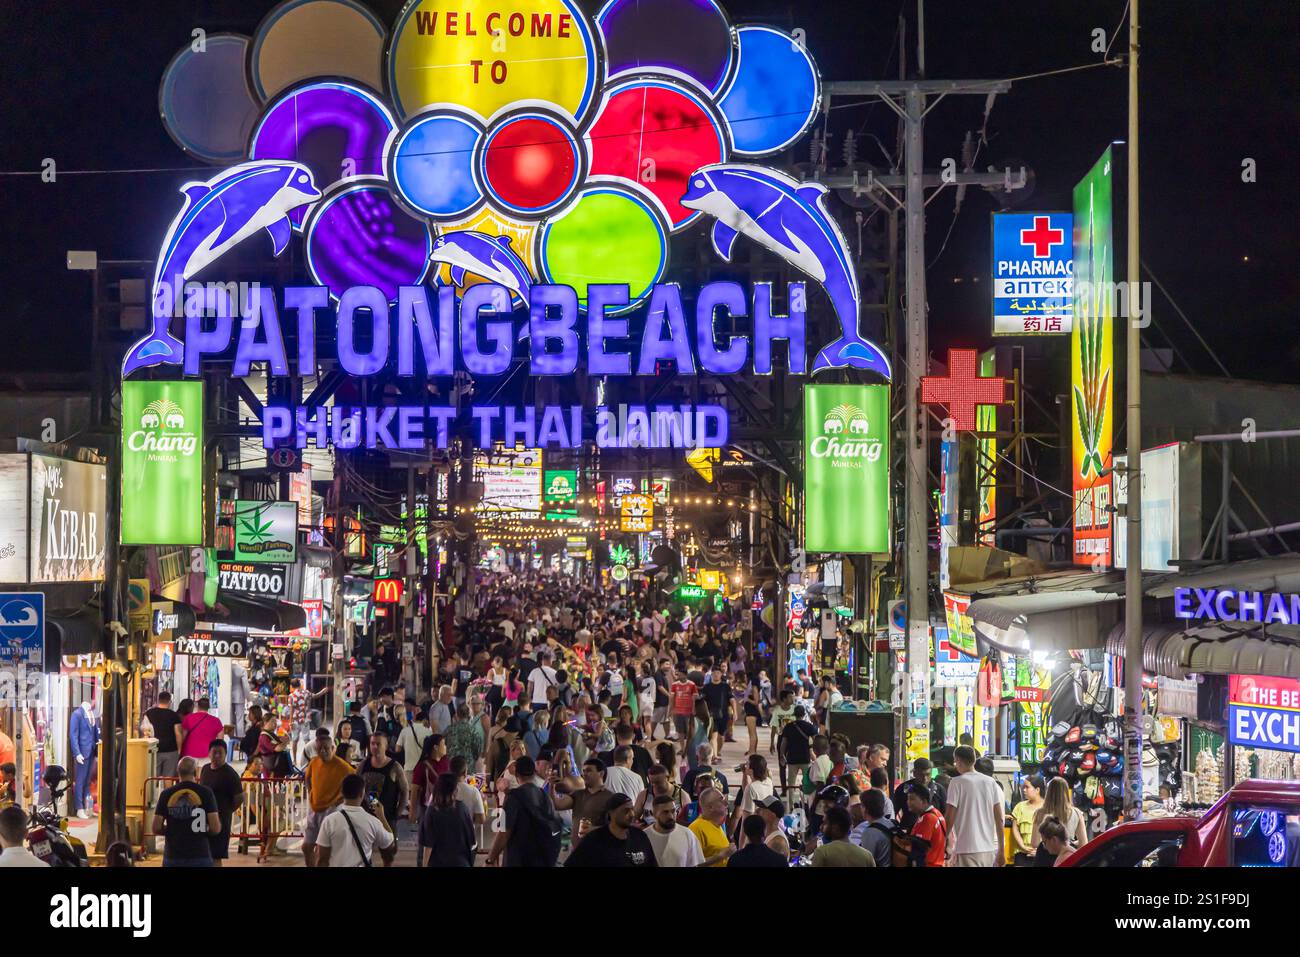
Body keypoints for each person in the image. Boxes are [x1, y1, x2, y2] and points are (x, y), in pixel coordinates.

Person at [486, 756, 563, 867]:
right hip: (541, 860)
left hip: (519, 860)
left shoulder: (513, 797)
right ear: (534, 772)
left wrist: (490, 859)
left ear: (516, 774)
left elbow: (503, 833)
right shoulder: (544, 795)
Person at [314, 773, 397, 867]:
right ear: (362, 794)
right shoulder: (372, 822)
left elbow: (322, 859)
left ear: (342, 792)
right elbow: (390, 844)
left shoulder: (329, 821)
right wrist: (381, 816)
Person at [944, 745, 1006, 867]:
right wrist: (1001, 850)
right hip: (988, 850)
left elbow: (950, 817)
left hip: (966, 849)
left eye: (955, 761)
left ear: (958, 761)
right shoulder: (991, 782)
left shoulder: (956, 783)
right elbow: (999, 819)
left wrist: (943, 840)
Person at [152, 757, 220, 867]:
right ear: (195, 772)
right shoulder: (206, 793)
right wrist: (202, 830)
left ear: (178, 772)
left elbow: (156, 827)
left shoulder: (166, 794)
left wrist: (173, 830)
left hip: (173, 856)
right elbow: (215, 827)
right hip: (200, 855)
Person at [563, 792, 657, 867]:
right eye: (626, 811)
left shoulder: (640, 836)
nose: (632, 814)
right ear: (611, 813)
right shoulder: (594, 840)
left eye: (632, 809)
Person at [302, 734, 353, 866]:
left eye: (326, 748)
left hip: (331, 811)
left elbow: (356, 783)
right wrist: (310, 791)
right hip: (314, 809)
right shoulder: (313, 762)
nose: (322, 751)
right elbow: (307, 778)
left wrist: (342, 800)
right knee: (307, 847)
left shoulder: (343, 766)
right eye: (319, 749)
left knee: (324, 852)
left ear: (332, 748)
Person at [550, 757, 614, 847]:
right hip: (577, 850)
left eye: (589, 771)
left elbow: (615, 826)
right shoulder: (578, 794)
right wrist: (552, 786)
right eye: (583, 771)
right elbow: (557, 805)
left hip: (598, 850)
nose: (584, 774)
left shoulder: (610, 797)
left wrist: (594, 829)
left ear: (601, 773)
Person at [199, 740, 243, 867]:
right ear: (209, 754)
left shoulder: (230, 774)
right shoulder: (205, 769)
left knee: (216, 855)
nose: (217, 755)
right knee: (204, 852)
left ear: (225, 754)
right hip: (204, 818)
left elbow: (239, 798)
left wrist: (227, 810)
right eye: (214, 752)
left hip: (221, 819)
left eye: (220, 753)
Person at [420, 772, 476, 867]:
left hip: (438, 863)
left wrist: (424, 865)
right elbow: (471, 841)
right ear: (454, 790)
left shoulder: (432, 811)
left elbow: (428, 845)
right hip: (461, 863)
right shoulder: (463, 808)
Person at [358, 731, 409, 829]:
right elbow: (355, 787)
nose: (375, 747)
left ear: (385, 746)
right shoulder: (363, 764)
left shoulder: (395, 767)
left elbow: (405, 790)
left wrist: (397, 812)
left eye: (378, 744)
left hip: (387, 817)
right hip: (365, 816)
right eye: (372, 743)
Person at [643, 792, 703, 867]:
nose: (671, 816)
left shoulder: (687, 834)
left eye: (673, 811)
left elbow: (694, 864)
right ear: (654, 813)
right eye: (665, 812)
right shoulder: (643, 837)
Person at [1030, 776, 1089, 849]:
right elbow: (1084, 843)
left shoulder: (1040, 813)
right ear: (1066, 792)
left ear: (1048, 792)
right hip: (1067, 856)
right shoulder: (1077, 813)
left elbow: (1034, 843)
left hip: (1046, 856)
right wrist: (1072, 843)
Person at [811, 805, 875, 867]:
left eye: (825, 823)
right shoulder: (867, 856)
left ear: (835, 827)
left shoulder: (822, 853)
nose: (821, 827)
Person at [777, 705, 816, 802]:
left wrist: (782, 755)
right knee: (807, 783)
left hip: (792, 759)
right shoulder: (809, 727)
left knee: (791, 784)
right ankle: (806, 802)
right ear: (803, 714)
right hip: (805, 758)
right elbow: (816, 741)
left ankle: (790, 805)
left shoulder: (789, 727)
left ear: (794, 715)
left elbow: (783, 743)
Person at [141, 691, 183, 778]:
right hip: (171, 750)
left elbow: (144, 729)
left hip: (154, 749)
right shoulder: (173, 715)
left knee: (153, 777)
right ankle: (167, 792)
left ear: (158, 700)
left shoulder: (149, 713)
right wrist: (179, 750)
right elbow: (178, 733)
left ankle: (154, 792)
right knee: (168, 777)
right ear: (169, 701)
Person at [731, 753, 775, 836]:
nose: (745, 765)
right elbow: (746, 791)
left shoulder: (751, 788)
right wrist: (744, 773)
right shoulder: (768, 782)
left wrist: (742, 846)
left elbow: (746, 820)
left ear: (751, 770)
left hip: (753, 830)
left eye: (747, 764)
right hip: (764, 825)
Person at [688, 787, 733, 866]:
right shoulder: (696, 828)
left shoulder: (717, 825)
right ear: (710, 807)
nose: (727, 803)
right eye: (721, 799)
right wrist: (720, 856)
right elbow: (691, 863)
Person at [905, 783, 946, 867]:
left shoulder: (927, 818)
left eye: (912, 799)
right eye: (908, 799)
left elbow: (919, 852)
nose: (908, 802)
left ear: (924, 801)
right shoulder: (937, 813)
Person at [851, 789, 896, 867]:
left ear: (865, 809)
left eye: (861, 805)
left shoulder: (870, 832)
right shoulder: (891, 823)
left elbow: (865, 862)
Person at [69, 700, 98, 817]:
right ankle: (79, 808)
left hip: (91, 750)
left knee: (87, 781)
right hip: (82, 751)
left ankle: (87, 807)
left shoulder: (91, 714)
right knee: (80, 781)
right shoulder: (77, 715)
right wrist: (77, 753)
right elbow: (73, 734)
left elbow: (94, 731)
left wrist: (97, 743)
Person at [894, 758, 938, 831]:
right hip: (908, 834)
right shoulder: (903, 789)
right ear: (914, 773)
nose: (925, 778)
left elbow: (945, 816)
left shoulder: (939, 790)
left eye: (928, 774)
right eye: (921, 775)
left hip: (932, 834)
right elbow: (894, 811)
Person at [1010, 774, 1045, 865]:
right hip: (1021, 853)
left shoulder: (1048, 807)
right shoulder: (1020, 806)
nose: (1024, 790)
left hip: (1043, 853)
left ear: (1037, 790)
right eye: (1023, 787)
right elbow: (1015, 828)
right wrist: (1022, 846)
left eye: (1027, 787)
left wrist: (1040, 850)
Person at [179, 697, 223, 763]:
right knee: (204, 773)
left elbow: (183, 737)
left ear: (197, 706)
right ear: (208, 707)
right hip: (207, 754)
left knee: (189, 773)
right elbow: (220, 739)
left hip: (189, 753)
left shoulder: (189, 718)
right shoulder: (216, 721)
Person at [755, 794, 792, 860]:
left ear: (772, 815)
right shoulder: (768, 834)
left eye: (762, 809)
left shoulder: (777, 842)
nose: (757, 811)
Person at [397, 708, 433, 775]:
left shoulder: (405, 730)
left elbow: (397, 749)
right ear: (425, 720)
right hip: (423, 769)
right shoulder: (429, 732)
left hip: (409, 768)